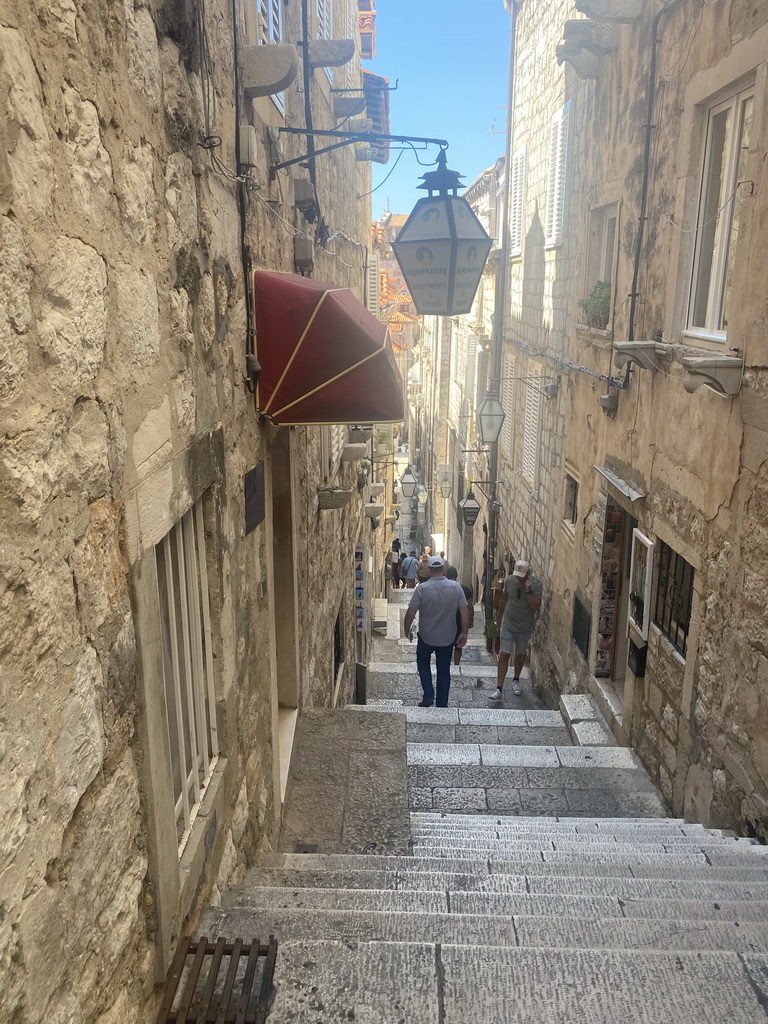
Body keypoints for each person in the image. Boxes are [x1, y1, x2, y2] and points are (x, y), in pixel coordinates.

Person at [403, 557, 470, 707]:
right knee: (444, 670)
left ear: (429, 570)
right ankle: (441, 703)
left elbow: (410, 613)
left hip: (426, 636)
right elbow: (464, 611)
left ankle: (428, 693)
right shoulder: (456, 587)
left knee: (422, 662)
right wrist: (464, 632)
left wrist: (406, 631)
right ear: (444, 569)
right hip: (447, 637)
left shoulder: (422, 589)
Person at [492, 559, 543, 700]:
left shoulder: (536, 585)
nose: (518, 579)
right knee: (504, 654)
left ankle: (516, 680)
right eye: (517, 576)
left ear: (528, 575)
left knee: (520, 654)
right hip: (508, 624)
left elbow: (536, 608)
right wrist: (499, 617)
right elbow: (503, 599)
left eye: (521, 577)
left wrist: (527, 592)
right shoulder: (509, 581)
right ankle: (499, 688)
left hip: (524, 627)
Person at [446, 566, 474, 665]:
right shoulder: (465, 588)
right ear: (457, 575)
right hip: (461, 620)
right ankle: (456, 664)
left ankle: (446, 663)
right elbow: (470, 606)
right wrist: (470, 620)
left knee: (447, 644)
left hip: (447, 620)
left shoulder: (444, 588)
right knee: (458, 645)